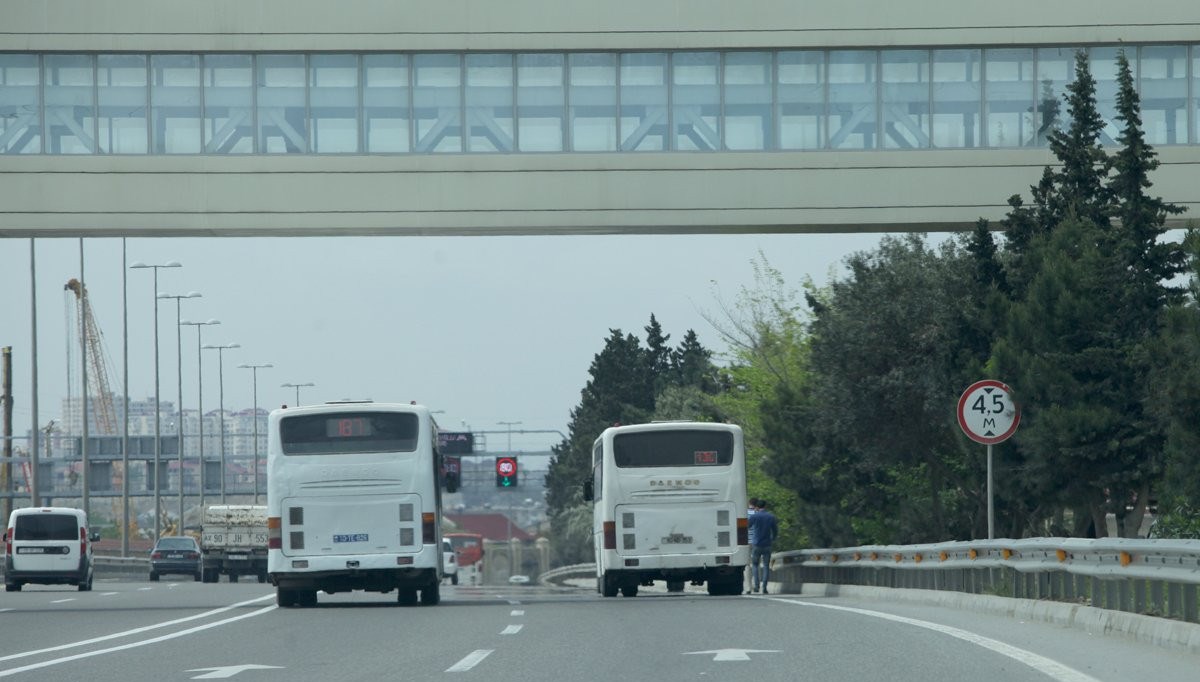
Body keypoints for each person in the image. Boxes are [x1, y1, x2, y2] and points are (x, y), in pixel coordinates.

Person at [748, 499, 778, 594]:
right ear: (765, 506)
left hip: (756, 544)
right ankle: (764, 587)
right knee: (766, 566)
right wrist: (773, 539)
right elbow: (775, 530)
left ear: (757, 507)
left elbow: (747, 526)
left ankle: (756, 586)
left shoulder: (754, 516)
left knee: (755, 565)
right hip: (767, 544)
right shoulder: (771, 517)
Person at [744, 497, 759, 593]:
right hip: (756, 541)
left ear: (749, 503)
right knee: (756, 564)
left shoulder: (743, 513)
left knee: (747, 565)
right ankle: (755, 584)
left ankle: (748, 587)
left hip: (745, 541)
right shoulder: (758, 514)